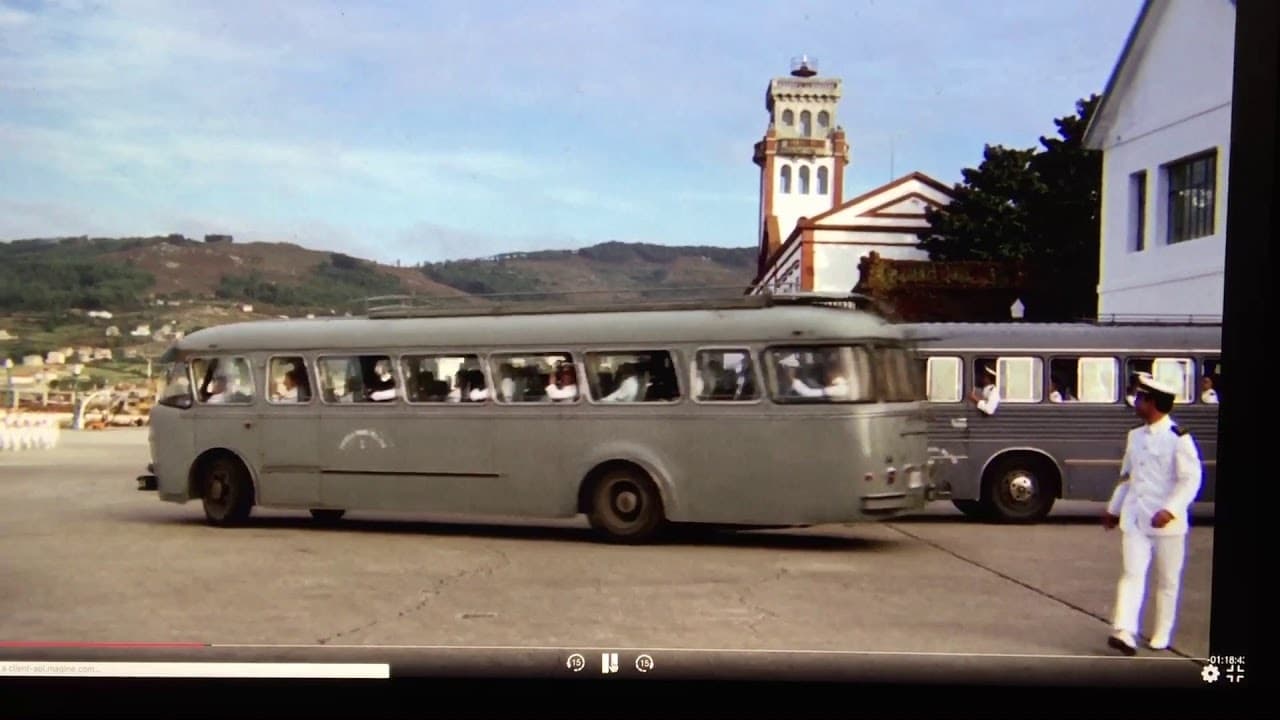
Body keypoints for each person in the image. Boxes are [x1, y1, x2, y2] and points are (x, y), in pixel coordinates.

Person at [1103, 372, 1203, 655]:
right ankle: (1124, 631)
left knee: (1168, 580)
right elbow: (1127, 477)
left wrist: (1170, 510)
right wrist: (1113, 509)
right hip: (1135, 518)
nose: (1135, 402)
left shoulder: (1179, 439)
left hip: (1166, 524)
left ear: (1153, 403)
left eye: (1140, 398)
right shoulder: (1134, 436)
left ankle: (1162, 632)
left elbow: (1191, 479)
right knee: (1131, 573)